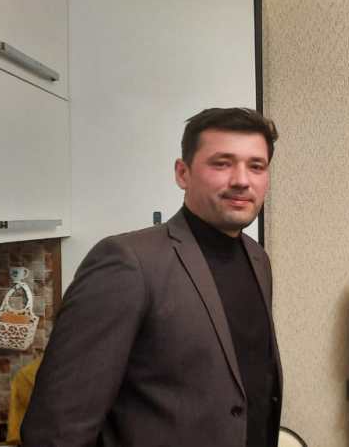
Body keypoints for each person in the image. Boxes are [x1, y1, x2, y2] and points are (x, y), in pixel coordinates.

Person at [23, 108, 283, 447]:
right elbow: (58, 427)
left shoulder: (258, 259)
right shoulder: (127, 262)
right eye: (222, 163)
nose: (241, 180)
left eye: (256, 166)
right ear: (183, 173)